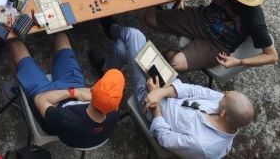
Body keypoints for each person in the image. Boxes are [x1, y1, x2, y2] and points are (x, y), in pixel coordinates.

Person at [105, 24, 254, 158]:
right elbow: (194, 90)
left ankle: (109, 27)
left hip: (152, 108)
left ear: (223, 114)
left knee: (134, 35)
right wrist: (162, 92)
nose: (223, 94)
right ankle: (106, 69)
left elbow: (164, 138)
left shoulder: (202, 146)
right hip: (168, 88)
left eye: (225, 96)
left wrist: (155, 104)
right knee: (121, 47)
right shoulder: (226, 106)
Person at [145, 0, 278, 73]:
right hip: (200, 19)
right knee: (149, 18)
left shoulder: (255, 18)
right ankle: (175, 53)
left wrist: (239, 62)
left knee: (176, 63)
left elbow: (272, 56)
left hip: (218, 45)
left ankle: (169, 53)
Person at [9, 33, 124, 150]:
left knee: (14, 43)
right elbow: (96, 99)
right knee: (61, 35)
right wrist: (79, 93)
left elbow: (40, 99)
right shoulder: (113, 114)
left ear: (93, 89)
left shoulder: (65, 119)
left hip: (48, 102)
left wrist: (74, 93)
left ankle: (19, 91)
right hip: (74, 90)